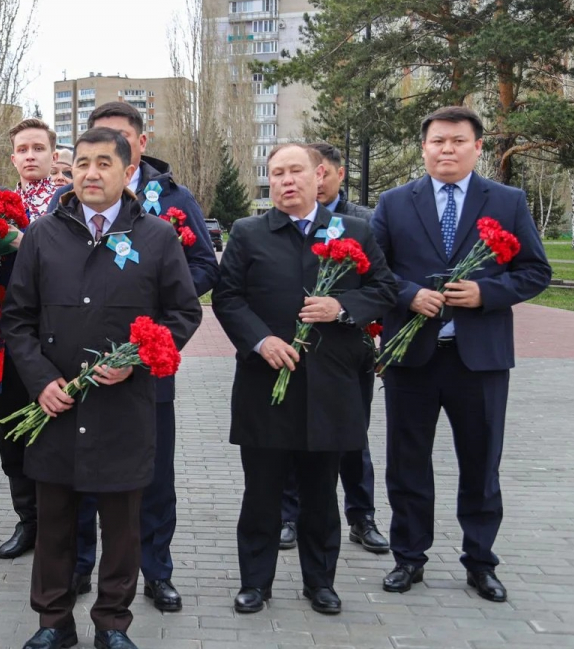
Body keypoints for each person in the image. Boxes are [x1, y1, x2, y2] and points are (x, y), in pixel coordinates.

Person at [2, 127, 201, 649]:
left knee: (121, 525)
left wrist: (137, 361)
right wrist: (41, 379)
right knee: (56, 521)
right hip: (56, 405)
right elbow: (17, 318)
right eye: (82, 163)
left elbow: (184, 314)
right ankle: (53, 621)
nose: (91, 173)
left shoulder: (156, 237)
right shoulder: (44, 235)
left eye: (103, 164)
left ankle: (113, 622)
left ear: (125, 170)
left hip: (123, 409)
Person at [372, 106, 551, 603]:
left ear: (477, 147)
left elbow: (536, 271)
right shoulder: (393, 202)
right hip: (413, 357)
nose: (446, 149)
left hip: (480, 358)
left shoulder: (508, 201)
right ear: (423, 147)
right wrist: (408, 294)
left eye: (457, 141)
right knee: (407, 463)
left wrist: (486, 294)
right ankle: (409, 558)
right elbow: (376, 270)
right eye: (437, 141)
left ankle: (480, 561)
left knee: (480, 463)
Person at [49, 101, 219, 612]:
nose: (101, 159)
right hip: (78, 374)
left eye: (118, 140)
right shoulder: (66, 201)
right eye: (93, 145)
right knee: (76, 475)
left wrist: (150, 318)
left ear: (138, 145)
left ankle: (155, 570)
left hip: (144, 369)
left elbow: (202, 269)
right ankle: (79, 566)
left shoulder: (172, 199)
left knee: (151, 478)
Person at [213, 143, 396, 616]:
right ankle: (255, 582)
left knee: (320, 493)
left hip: (330, 386)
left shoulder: (353, 230)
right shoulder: (249, 233)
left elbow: (384, 289)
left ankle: (321, 582)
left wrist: (343, 308)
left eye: (295, 171)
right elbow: (228, 297)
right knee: (262, 493)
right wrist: (260, 341)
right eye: (276, 174)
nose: (286, 181)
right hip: (265, 382)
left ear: (319, 176)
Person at [279, 142, 389, 555]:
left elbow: (383, 283)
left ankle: (362, 516)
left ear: (337, 174)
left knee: (351, 437)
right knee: (290, 437)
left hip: (347, 353)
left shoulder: (362, 222)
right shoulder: (288, 222)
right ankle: (288, 516)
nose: (314, 179)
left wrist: (346, 310)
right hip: (293, 351)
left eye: (321, 171)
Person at [0, 118, 63, 561]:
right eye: (22, 149)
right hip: (3, 341)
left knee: (53, 438)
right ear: (13, 158)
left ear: (52, 154)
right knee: (11, 436)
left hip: (55, 344)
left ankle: (57, 527)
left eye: (37, 148)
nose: (29, 156)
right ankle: (26, 521)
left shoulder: (69, 204)